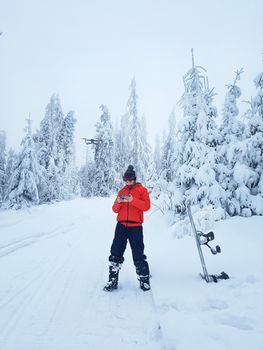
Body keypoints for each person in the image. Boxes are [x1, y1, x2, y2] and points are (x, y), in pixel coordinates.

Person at [103, 165, 151, 292]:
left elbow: (146, 206)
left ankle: (144, 279)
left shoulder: (142, 190)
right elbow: (114, 210)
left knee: (138, 254)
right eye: (126, 180)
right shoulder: (122, 191)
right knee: (115, 253)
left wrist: (132, 200)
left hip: (135, 227)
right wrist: (119, 201)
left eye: (130, 180)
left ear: (134, 179)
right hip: (121, 226)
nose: (128, 182)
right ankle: (112, 280)